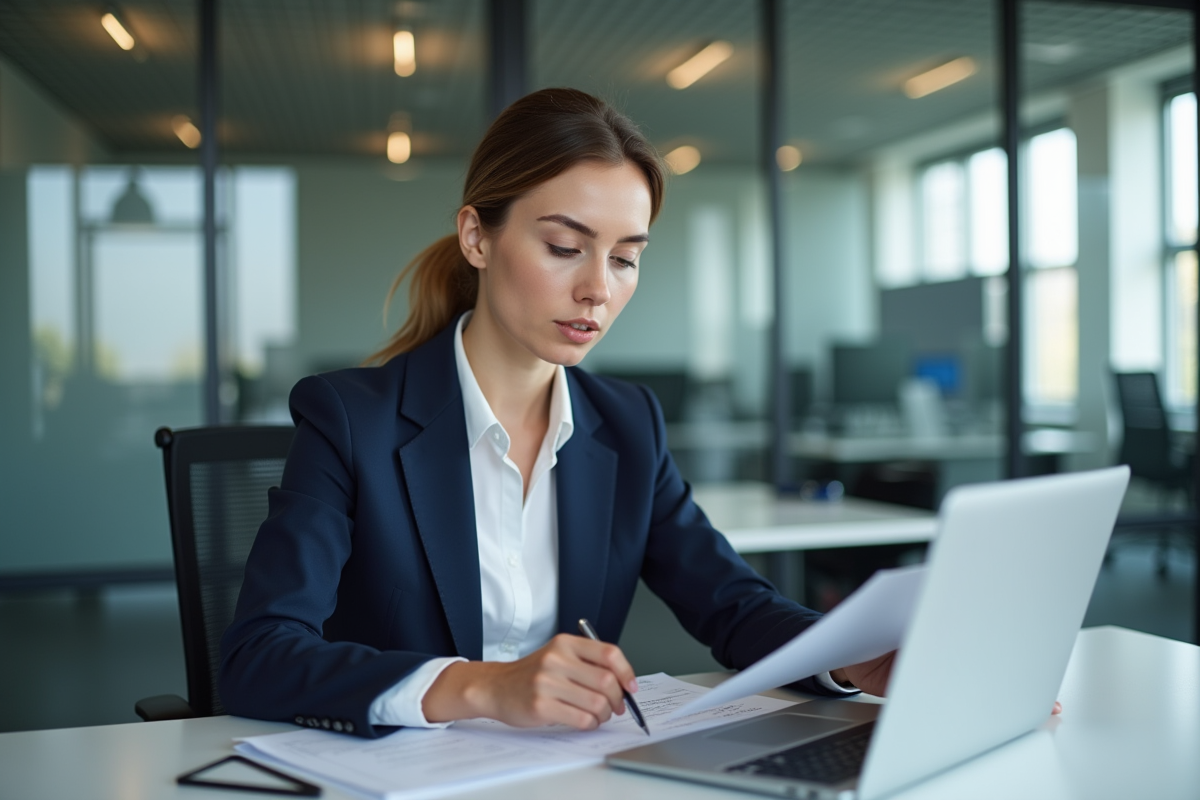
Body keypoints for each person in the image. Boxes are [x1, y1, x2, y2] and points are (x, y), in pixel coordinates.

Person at [219, 87, 894, 739]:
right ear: (477, 238)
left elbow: (733, 604)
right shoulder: (350, 419)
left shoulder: (629, 424)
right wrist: (482, 686)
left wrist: (845, 655)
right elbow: (260, 655)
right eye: (565, 248)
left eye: (626, 258)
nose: (598, 288)